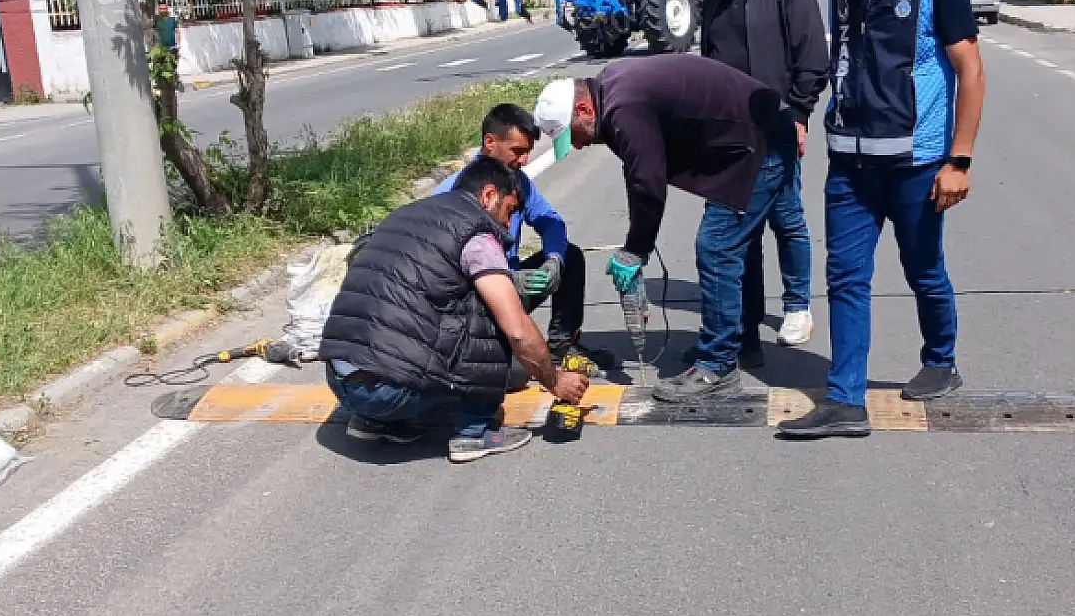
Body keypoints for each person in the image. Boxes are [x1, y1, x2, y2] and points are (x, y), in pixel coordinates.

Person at [778, 0, 986, 441]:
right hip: (849, 163)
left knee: (922, 269)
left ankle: (941, 359)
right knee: (846, 278)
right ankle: (846, 399)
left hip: (917, 164)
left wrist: (958, 161)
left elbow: (971, 71)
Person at [532, 55, 781, 402]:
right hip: (748, 137)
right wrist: (637, 241)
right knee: (738, 247)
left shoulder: (622, 105)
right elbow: (637, 172)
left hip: (756, 142)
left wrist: (635, 250)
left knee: (717, 247)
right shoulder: (612, 89)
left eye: (573, 135)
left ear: (586, 109)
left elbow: (649, 182)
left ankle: (718, 365)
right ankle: (741, 343)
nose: (578, 145)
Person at [320, 157, 590, 463]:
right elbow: (516, 329)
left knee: (415, 310)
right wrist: (554, 379)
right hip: (389, 393)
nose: (508, 226)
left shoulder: (406, 215)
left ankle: (377, 423)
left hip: (340, 382)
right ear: (488, 196)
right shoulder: (476, 235)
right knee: (493, 306)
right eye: (509, 211)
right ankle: (474, 432)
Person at [698, 0, 828, 364]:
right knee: (742, 233)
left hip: (777, 128)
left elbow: (813, 58)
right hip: (733, 137)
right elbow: (708, 66)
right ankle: (747, 329)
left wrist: (799, 114)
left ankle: (796, 305)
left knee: (786, 218)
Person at [436, 103, 610, 367]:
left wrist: (554, 260)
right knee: (511, 373)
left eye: (528, 152)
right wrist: (506, 281)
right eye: (517, 152)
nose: (523, 161)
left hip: (509, 285)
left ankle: (562, 347)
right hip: (472, 303)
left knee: (570, 257)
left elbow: (551, 222)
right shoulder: (454, 193)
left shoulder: (519, 182)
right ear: (490, 142)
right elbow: (443, 276)